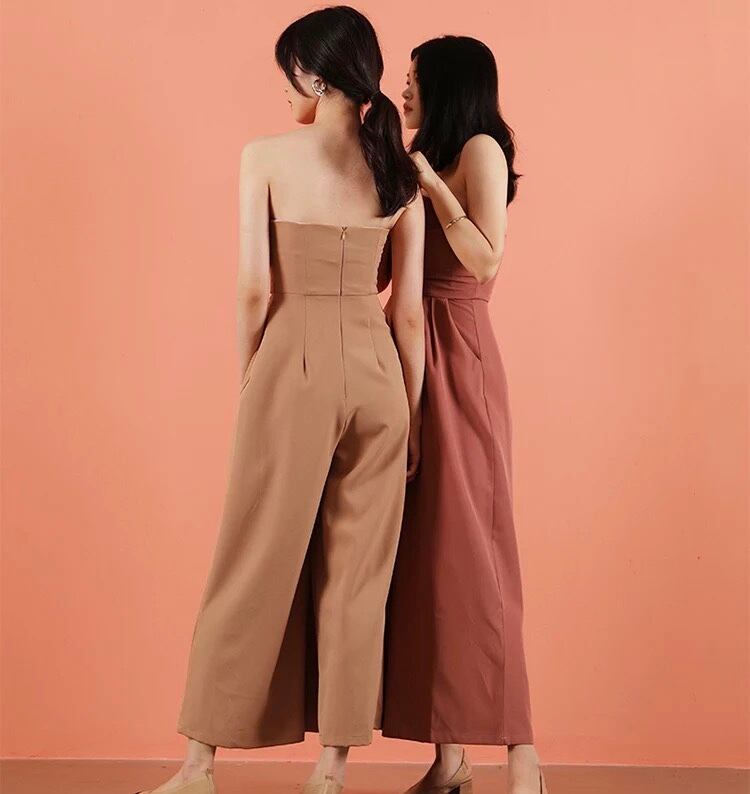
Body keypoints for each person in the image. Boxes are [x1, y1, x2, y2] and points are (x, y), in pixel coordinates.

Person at [135, 7, 425, 794]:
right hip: (379, 372)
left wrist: (250, 380)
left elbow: (253, 288)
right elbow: (406, 312)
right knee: (358, 578)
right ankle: (330, 771)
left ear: (316, 77)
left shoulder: (264, 156)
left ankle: (200, 764)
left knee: (252, 559)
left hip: (292, 360)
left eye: (289, 74)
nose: (285, 89)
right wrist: (415, 415)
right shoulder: (400, 172)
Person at [381, 35, 548, 794]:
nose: (403, 91)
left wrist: (429, 187)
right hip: (407, 349)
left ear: (447, 85)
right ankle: (449, 759)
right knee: (431, 559)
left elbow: (485, 259)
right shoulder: (417, 154)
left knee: (481, 555)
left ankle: (523, 756)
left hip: (461, 352)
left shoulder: (479, 149)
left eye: (413, 79)